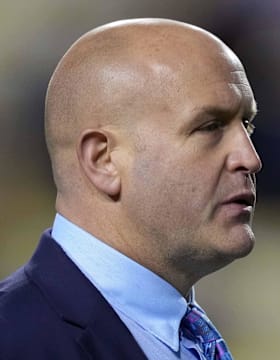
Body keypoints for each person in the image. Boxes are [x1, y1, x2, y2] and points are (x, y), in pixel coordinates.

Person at [0, 18, 262, 359]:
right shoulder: (14, 342)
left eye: (247, 124)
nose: (250, 158)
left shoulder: (187, 336)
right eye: (210, 127)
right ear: (103, 160)